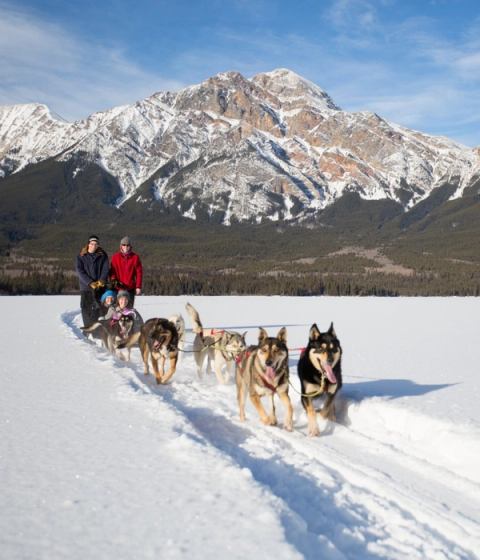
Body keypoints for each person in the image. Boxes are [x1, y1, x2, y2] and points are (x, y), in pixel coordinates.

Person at [75, 234, 109, 327]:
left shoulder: (102, 255)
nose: (94, 245)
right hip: (86, 287)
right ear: (88, 244)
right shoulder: (81, 256)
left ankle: (98, 328)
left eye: (96, 244)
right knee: (86, 308)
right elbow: (80, 271)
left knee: (100, 308)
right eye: (92, 243)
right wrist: (90, 282)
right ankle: (88, 328)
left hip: (99, 287)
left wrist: (102, 280)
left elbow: (105, 268)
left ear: (98, 245)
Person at [109, 236, 143, 306]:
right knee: (118, 309)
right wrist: (114, 280)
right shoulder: (115, 257)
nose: (126, 247)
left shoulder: (135, 257)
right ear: (121, 246)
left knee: (129, 309)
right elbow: (112, 271)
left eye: (127, 245)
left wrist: (138, 286)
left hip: (130, 288)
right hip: (118, 288)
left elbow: (139, 273)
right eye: (124, 245)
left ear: (130, 246)